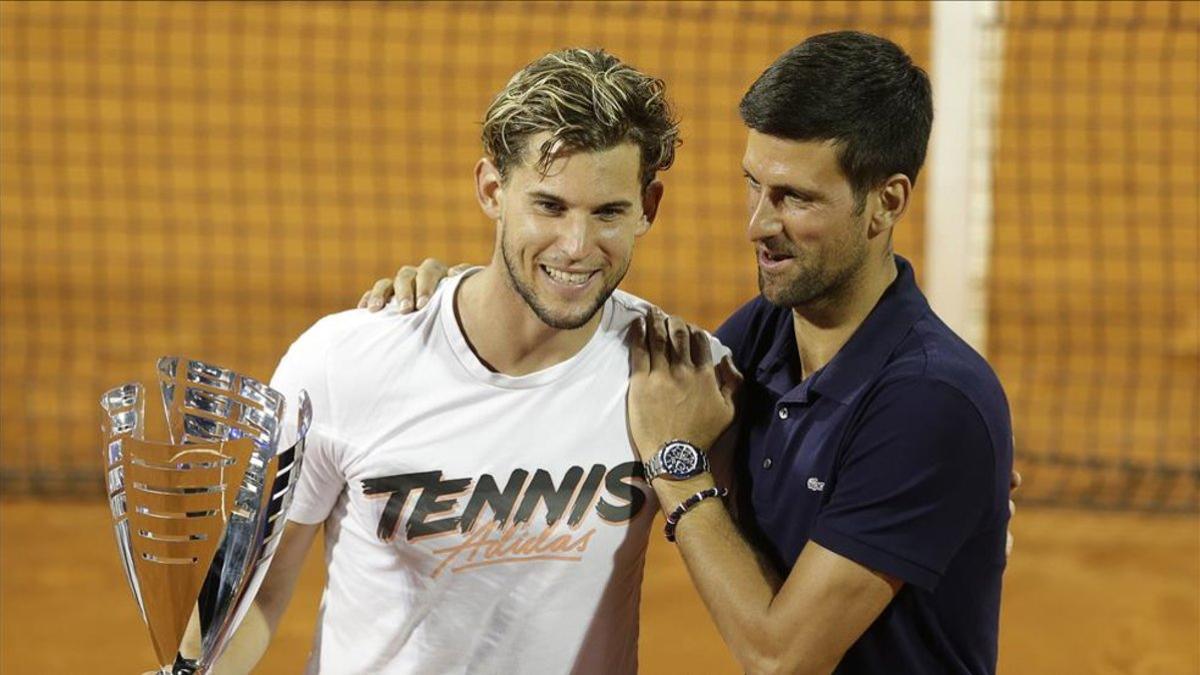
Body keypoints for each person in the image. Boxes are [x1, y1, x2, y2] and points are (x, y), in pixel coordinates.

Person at [365, 31, 1015, 674]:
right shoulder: (762, 337)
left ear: (886, 203)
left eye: (795, 197)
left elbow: (779, 655)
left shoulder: (930, 400)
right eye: (754, 185)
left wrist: (679, 466)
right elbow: (590, 369)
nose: (758, 223)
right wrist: (474, 298)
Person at [192, 48, 735, 674]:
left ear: (649, 208)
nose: (577, 247)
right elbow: (250, 593)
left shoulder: (678, 378)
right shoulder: (346, 362)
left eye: (608, 211)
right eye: (550, 206)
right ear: (491, 190)